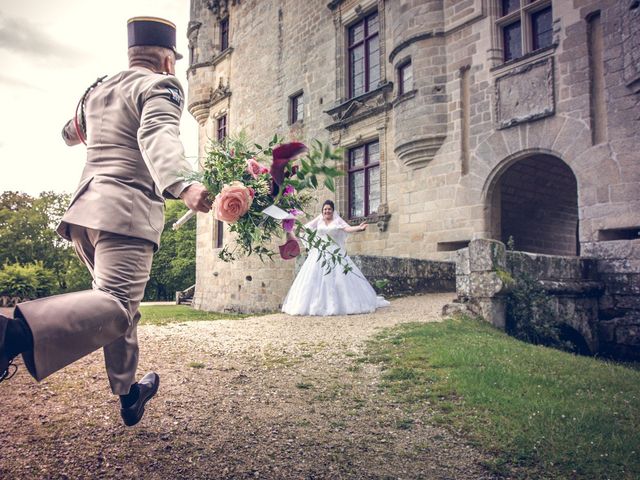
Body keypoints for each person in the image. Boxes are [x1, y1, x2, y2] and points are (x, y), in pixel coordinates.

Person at [0, 17, 211, 427]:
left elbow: (69, 133)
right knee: (114, 303)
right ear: (167, 59)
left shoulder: (98, 89)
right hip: (125, 213)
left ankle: (130, 393)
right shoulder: (161, 86)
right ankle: (11, 336)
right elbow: (157, 134)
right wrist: (182, 184)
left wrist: (95, 114)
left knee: (119, 309)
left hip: (84, 215)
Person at [282, 200, 390, 316]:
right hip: (319, 252)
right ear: (322, 211)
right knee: (314, 278)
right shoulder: (319, 220)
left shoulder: (337, 220)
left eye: (329, 209)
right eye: (325, 209)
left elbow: (347, 229)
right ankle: (315, 305)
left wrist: (358, 227)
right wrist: (290, 227)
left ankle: (340, 304)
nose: (327, 211)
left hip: (334, 253)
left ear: (333, 211)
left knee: (340, 278)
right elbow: (305, 228)